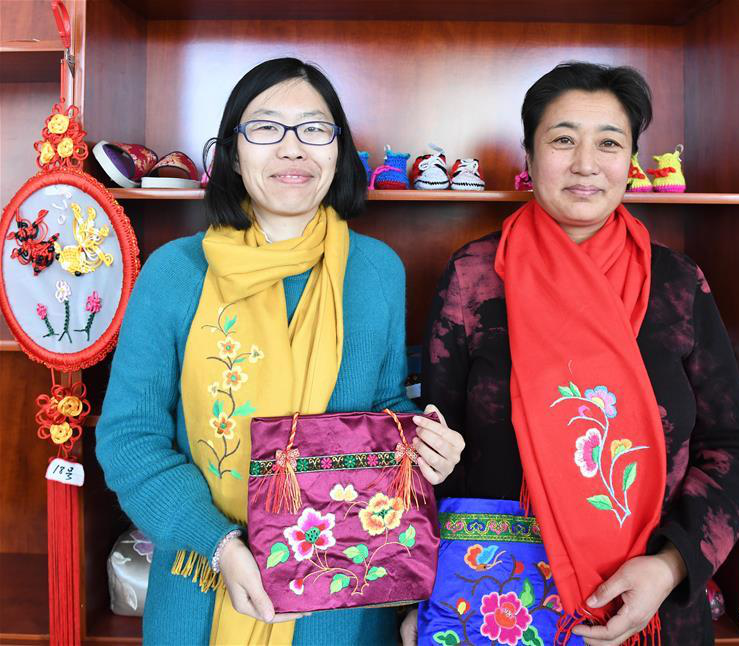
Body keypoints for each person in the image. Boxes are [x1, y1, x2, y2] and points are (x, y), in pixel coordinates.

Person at [96, 57, 464, 645]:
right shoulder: (174, 273)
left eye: (314, 129)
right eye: (266, 128)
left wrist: (424, 444)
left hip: (345, 605)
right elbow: (131, 440)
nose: (293, 148)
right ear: (232, 153)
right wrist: (220, 545)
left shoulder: (376, 271)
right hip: (200, 595)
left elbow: (384, 407)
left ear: (339, 150)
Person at [403, 62, 739, 646]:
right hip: (497, 599)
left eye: (610, 143)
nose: (586, 164)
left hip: (651, 604)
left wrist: (670, 566)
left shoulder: (677, 283)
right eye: (563, 140)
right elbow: (432, 448)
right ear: (528, 156)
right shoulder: (475, 277)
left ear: (632, 162)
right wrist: (423, 587)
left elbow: (733, 449)